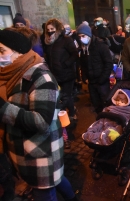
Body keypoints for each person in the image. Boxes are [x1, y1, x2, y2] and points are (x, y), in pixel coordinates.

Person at [0, 27, 78, 201]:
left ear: (18, 52)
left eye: (2, 50)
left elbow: (42, 121)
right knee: (56, 180)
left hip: (41, 154)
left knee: (45, 190)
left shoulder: (41, 77)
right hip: (24, 153)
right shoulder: (9, 74)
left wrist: (3, 108)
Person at [44, 18, 78, 123]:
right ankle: (68, 112)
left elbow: (74, 54)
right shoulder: (49, 42)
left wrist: (65, 64)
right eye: (48, 29)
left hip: (67, 74)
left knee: (66, 95)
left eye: (52, 28)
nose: (50, 31)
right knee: (60, 96)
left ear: (57, 28)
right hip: (55, 74)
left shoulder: (66, 40)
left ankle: (71, 114)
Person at [76, 23, 113, 113]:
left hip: (102, 82)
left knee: (105, 103)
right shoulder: (84, 48)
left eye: (83, 36)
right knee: (96, 103)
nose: (81, 38)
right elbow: (83, 64)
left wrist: (102, 79)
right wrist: (84, 77)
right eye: (79, 36)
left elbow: (108, 63)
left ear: (89, 35)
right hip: (91, 82)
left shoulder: (100, 46)